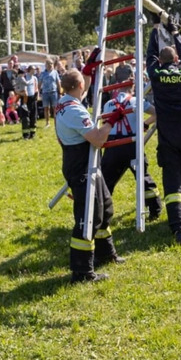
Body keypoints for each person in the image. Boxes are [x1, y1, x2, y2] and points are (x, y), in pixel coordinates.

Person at [54, 68, 117, 283]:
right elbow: (98, 140)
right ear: (79, 86)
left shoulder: (65, 101)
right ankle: (82, 271)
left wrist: (88, 71)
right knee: (87, 217)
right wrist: (111, 122)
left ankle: (105, 254)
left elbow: (81, 87)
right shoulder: (74, 111)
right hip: (81, 166)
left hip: (87, 164)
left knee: (104, 208)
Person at [144, 22, 181, 246]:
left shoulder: (155, 73)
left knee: (172, 183)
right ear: (175, 60)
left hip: (168, 134)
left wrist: (155, 31)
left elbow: (150, 55)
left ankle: (180, 229)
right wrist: (177, 34)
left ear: (161, 61)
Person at [101, 80, 163, 222]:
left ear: (117, 90)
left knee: (106, 180)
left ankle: (102, 214)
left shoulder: (108, 104)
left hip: (113, 145)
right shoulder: (137, 101)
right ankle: (155, 209)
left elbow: (105, 124)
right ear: (133, 88)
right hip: (132, 145)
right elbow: (156, 114)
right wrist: (144, 124)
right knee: (143, 178)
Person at [17, 65, 39, 140]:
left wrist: (37, 96)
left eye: (35, 69)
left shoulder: (35, 78)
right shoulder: (24, 78)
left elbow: (36, 88)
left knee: (33, 117)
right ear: (29, 70)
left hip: (33, 99)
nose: (34, 71)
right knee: (25, 118)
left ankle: (32, 134)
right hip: (25, 99)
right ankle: (26, 135)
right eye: (33, 69)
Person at [40, 60, 61, 127]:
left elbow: (58, 82)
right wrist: (38, 92)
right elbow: (40, 83)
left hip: (54, 92)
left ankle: (56, 122)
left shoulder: (55, 72)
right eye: (49, 64)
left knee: (55, 108)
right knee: (46, 108)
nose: (50, 65)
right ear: (46, 65)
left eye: (51, 63)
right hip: (45, 93)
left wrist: (60, 92)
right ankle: (47, 122)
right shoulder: (43, 73)